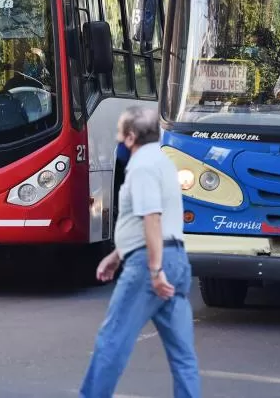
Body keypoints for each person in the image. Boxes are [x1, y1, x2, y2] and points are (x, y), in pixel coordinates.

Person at [79, 106, 200, 398]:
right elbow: (145, 221)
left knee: (112, 340)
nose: (117, 139)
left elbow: (152, 218)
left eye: (120, 133)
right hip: (176, 260)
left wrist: (155, 271)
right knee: (183, 355)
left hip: (149, 265)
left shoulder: (142, 167)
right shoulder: (162, 162)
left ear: (131, 137)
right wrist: (117, 255)